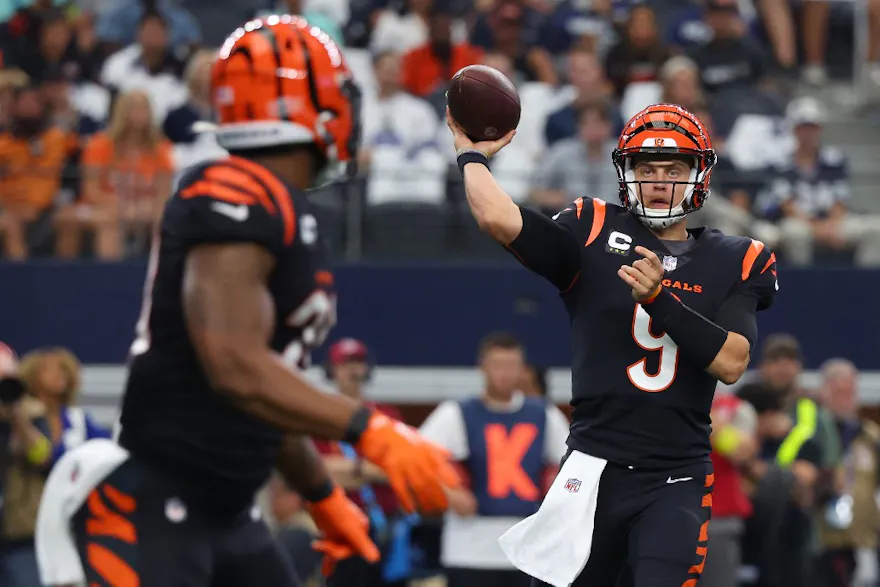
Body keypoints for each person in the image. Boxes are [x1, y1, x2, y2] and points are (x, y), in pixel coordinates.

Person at [34, 16, 459, 587]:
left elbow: (265, 391)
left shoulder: (285, 210)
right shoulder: (234, 189)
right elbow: (234, 366)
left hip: (229, 514)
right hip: (157, 505)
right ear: (306, 104)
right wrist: (372, 430)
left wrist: (323, 496)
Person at [447, 102, 778, 587]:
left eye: (673, 169)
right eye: (647, 168)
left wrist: (658, 299)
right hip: (591, 468)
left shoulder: (737, 258)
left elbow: (732, 362)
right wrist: (470, 155)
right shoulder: (593, 227)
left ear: (698, 175)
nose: (660, 180)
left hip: (676, 474)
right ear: (627, 173)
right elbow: (501, 220)